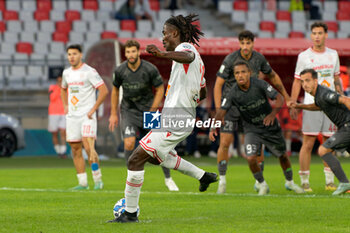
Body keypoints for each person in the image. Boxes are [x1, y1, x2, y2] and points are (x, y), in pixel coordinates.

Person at [108, 14, 217, 223]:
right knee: (159, 157)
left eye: (164, 33)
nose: (163, 37)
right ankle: (203, 176)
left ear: (174, 33)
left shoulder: (187, 49)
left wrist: (161, 54)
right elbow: (202, 92)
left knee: (135, 159)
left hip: (176, 117)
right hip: (180, 117)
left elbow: (187, 57)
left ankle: (130, 214)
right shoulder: (196, 65)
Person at [214, 30, 291, 194]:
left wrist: (286, 95)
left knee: (257, 145)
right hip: (231, 106)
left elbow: (274, 76)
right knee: (225, 142)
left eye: (248, 43)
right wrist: (218, 110)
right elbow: (218, 85)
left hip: (250, 108)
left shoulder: (259, 58)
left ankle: (259, 182)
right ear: (239, 43)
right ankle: (222, 181)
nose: (245, 46)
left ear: (253, 43)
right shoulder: (230, 59)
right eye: (242, 43)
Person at [210, 61, 303, 195]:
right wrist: (213, 127)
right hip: (251, 130)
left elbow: (279, 98)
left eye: (243, 72)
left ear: (249, 73)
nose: (240, 75)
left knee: (282, 156)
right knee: (250, 158)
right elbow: (221, 111)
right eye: (237, 73)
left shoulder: (259, 84)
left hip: (269, 127)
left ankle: (289, 182)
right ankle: (262, 184)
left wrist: (272, 114)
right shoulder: (232, 92)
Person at [109, 39, 179, 191]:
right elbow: (115, 91)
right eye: (128, 52)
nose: (131, 54)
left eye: (133, 51)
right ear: (125, 53)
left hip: (149, 112)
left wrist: (154, 109)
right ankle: (132, 178)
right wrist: (113, 113)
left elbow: (160, 89)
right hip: (129, 111)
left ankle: (168, 179)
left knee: (157, 147)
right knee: (128, 143)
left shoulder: (150, 69)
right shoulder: (120, 71)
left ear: (138, 52)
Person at [290, 22, 342, 192]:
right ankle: (305, 181)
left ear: (326, 35)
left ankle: (330, 181)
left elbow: (336, 79)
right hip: (311, 104)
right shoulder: (304, 56)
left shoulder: (333, 55)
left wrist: (341, 97)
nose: (317, 36)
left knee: (330, 142)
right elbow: (298, 80)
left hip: (331, 106)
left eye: (320, 33)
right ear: (311, 35)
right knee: (308, 142)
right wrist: (293, 103)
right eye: (314, 33)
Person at [291, 68, 350, 195]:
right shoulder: (317, 96)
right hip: (344, 126)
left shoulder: (324, 94)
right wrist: (299, 106)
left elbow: (346, 100)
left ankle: (344, 183)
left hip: (347, 126)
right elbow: (318, 106)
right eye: (302, 82)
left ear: (315, 81)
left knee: (323, 150)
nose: (304, 84)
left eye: (307, 80)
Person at [61, 44, 109, 190]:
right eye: (69, 54)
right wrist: (65, 105)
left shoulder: (89, 71)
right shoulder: (66, 73)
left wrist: (93, 109)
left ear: (81, 55)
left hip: (87, 116)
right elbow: (63, 89)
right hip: (72, 117)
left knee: (89, 148)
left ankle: (98, 180)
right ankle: (82, 183)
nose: (71, 57)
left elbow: (104, 90)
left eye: (74, 54)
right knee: (75, 149)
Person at [48, 73, 67, 159]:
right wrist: (59, 89)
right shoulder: (52, 88)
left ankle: (63, 151)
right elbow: (52, 98)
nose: (60, 82)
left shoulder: (67, 89)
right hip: (53, 113)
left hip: (64, 112)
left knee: (63, 132)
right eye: (59, 81)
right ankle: (58, 151)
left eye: (61, 81)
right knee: (54, 133)